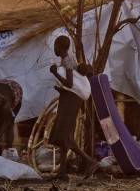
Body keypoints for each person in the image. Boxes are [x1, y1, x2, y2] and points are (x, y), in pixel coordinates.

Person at [49, 35, 99, 179]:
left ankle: (90, 161)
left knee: (64, 135)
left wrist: (55, 74)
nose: (54, 49)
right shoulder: (67, 59)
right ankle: (62, 172)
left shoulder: (68, 60)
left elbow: (70, 84)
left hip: (71, 100)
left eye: (55, 46)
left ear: (60, 46)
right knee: (65, 133)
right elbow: (71, 86)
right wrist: (60, 90)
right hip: (68, 98)